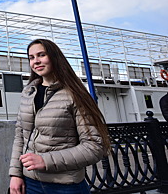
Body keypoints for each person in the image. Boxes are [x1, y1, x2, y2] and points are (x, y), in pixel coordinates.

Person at [8, 38, 110, 194]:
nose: (36, 61)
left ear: (55, 57)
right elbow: (20, 136)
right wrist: (16, 174)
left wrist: (45, 160)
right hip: (30, 183)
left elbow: (94, 147)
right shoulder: (28, 93)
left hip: (65, 186)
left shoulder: (75, 95)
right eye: (31, 57)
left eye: (41, 55)